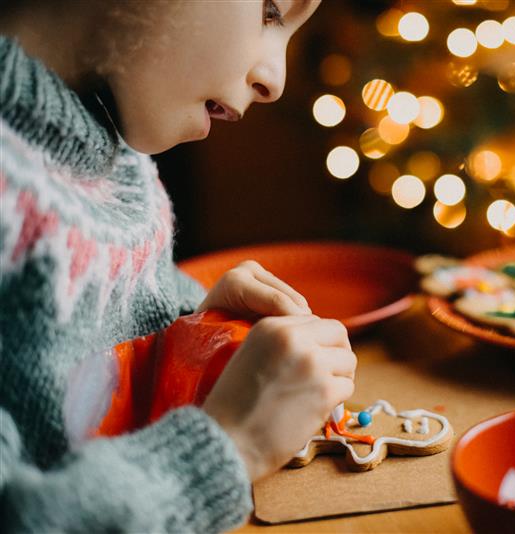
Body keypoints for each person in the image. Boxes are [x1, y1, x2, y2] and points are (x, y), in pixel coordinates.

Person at [0, 1, 357, 532]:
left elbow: (111, 338)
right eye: (269, 10)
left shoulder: (106, 141)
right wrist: (232, 448)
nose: (274, 80)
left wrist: (192, 330)